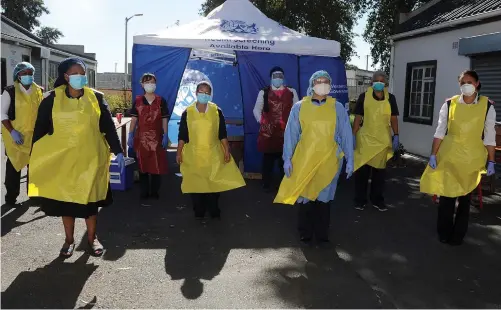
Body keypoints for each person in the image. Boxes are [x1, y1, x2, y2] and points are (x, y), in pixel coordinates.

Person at [28, 57, 125, 257]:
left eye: (83, 73)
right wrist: (36, 158)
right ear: (65, 76)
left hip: (91, 160)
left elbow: (107, 126)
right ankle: (69, 240)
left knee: (90, 204)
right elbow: (40, 130)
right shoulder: (51, 99)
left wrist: (119, 151)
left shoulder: (96, 98)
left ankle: (92, 238)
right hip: (63, 162)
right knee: (67, 203)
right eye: (75, 74)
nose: (80, 77)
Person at [274, 71, 354, 246]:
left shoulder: (337, 107)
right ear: (312, 83)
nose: (322, 84)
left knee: (324, 198)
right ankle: (305, 233)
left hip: (329, 160)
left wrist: (350, 158)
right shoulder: (300, 107)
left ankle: (322, 234)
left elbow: (346, 134)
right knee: (306, 196)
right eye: (319, 81)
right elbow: (291, 134)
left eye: (326, 81)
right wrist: (287, 158)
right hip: (305, 159)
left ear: (330, 85)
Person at [420, 70, 496, 246]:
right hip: (450, 155)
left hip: (471, 158)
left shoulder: (487, 106)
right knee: (447, 195)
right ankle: (444, 232)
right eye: (462, 82)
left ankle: (458, 235)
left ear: (477, 83)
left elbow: (490, 136)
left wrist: (491, 160)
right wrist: (433, 154)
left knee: (465, 198)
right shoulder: (449, 104)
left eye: (469, 81)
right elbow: (440, 132)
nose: (466, 85)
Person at [177, 81, 245, 221]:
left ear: (211, 95)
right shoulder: (188, 112)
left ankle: (214, 208)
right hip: (194, 154)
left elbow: (222, 133)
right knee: (196, 183)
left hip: (213, 153)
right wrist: (178, 152)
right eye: (201, 91)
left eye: (207, 92)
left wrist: (226, 150)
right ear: (196, 93)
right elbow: (182, 135)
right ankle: (199, 209)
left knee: (213, 182)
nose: (204, 94)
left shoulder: (216, 111)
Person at [352, 71, 399, 212]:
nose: (379, 83)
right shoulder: (364, 96)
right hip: (365, 139)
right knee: (362, 173)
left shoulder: (391, 98)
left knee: (379, 174)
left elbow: (394, 118)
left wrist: (396, 135)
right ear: (372, 82)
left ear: (385, 83)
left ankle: (377, 199)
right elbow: (358, 117)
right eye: (376, 80)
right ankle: (360, 200)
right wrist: (353, 135)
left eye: (381, 80)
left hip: (382, 140)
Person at [1, 62, 45, 207]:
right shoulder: (10, 91)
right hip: (15, 136)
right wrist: (12, 131)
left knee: (34, 167)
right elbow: (2, 113)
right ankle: (11, 198)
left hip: (34, 136)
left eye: (30, 73)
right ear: (18, 75)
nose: (28, 76)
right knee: (14, 166)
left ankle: (33, 196)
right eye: (24, 73)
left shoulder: (38, 91)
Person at [253, 67, 299, 192]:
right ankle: (266, 183)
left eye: (280, 76)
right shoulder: (264, 92)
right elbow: (256, 109)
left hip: (286, 132)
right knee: (267, 160)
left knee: (285, 158)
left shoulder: (291, 92)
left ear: (283, 77)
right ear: (271, 77)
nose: (278, 78)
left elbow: (297, 109)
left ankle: (285, 184)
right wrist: (262, 121)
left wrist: (294, 125)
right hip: (269, 132)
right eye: (275, 76)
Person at [128, 73, 169, 200]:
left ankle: (155, 191)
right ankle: (144, 191)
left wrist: (166, 134)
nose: (149, 84)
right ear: (142, 84)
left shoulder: (161, 101)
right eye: (147, 82)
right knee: (143, 166)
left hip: (157, 138)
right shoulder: (138, 101)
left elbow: (164, 119)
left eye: (152, 82)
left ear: (155, 84)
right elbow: (134, 120)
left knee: (156, 166)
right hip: (141, 139)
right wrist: (130, 134)